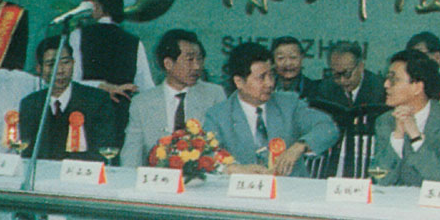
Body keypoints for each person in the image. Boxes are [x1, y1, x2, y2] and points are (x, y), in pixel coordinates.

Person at [201, 42, 339, 176]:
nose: (270, 83)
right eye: (261, 78)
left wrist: (300, 146)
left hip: (290, 187)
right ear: (239, 82)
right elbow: (206, 156)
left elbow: (327, 128)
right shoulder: (218, 116)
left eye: (271, 75)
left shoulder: (289, 104)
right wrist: (232, 169)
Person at [121, 29, 226, 166]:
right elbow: (131, 154)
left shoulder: (214, 95)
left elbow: (222, 147)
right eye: (189, 60)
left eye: (200, 59)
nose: (197, 66)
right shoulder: (142, 103)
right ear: (168, 64)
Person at [371, 49, 440, 186]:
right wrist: (397, 138)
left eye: (393, 79)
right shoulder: (384, 121)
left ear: (417, 87)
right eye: (387, 78)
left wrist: (416, 138)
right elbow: (378, 178)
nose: (386, 84)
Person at [68, 0, 156, 128]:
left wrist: (100, 86)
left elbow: (73, 81)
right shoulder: (134, 42)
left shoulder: (78, 36)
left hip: (87, 116)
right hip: (122, 118)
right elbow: (146, 87)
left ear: (94, 5)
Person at [18, 36, 119, 162]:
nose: (60, 70)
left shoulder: (97, 100)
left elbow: (104, 151)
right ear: (39, 68)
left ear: (73, 63)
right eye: (51, 64)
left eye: (65, 62)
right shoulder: (30, 104)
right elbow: (27, 154)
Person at [315, 41, 383, 108]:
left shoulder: (379, 90)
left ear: (360, 67)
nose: (342, 80)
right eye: (336, 75)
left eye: (347, 74)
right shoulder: (326, 89)